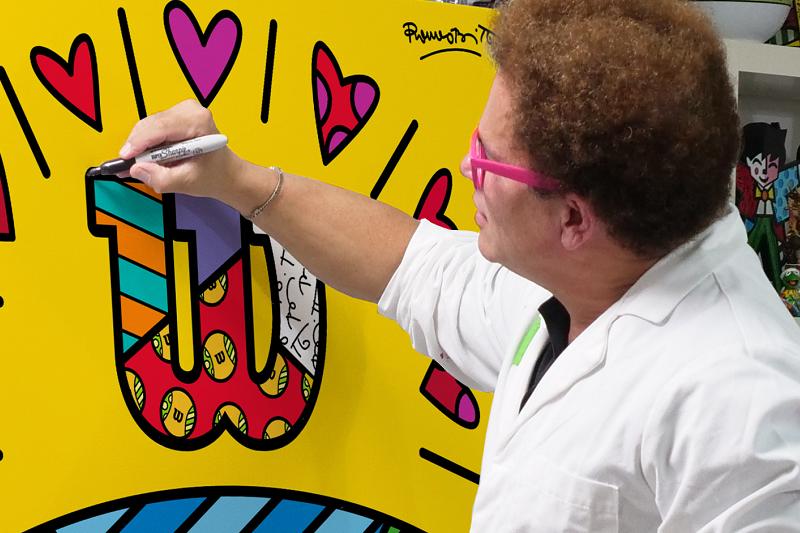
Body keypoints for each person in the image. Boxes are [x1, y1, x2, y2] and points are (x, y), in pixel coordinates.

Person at [118, 0, 800, 529]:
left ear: (573, 219)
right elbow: (415, 268)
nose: (466, 167)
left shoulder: (743, 406)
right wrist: (234, 179)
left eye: (488, 158)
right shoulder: (599, 271)